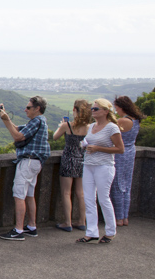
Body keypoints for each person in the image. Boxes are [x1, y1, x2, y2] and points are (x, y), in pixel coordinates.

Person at [0, 97, 50, 241]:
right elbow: (18, 129)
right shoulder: (40, 121)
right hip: (35, 163)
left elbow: (18, 136)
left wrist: (7, 121)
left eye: (28, 107)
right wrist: (5, 117)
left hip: (28, 161)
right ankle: (32, 226)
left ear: (37, 108)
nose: (25, 110)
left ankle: (18, 230)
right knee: (29, 195)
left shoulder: (36, 121)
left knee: (19, 194)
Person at [76, 99, 124, 244]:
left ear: (106, 111)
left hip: (104, 166)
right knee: (89, 199)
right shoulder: (91, 127)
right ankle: (91, 232)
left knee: (103, 199)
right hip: (89, 164)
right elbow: (89, 141)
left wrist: (98, 148)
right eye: (93, 109)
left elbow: (120, 149)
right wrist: (85, 145)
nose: (93, 111)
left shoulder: (112, 128)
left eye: (96, 109)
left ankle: (110, 232)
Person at [52, 99, 90, 232]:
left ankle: (67, 222)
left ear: (74, 110)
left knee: (66, 192)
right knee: (81, 193)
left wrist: (61, 125)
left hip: (68, 160)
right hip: (83, 160)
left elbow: (55, 137)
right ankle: (82, 221)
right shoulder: (90, 127)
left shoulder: (67, 125)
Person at [112, 96, 144, 226]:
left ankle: (119, 218)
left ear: (121, 107)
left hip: (121, 154)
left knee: (118, 185)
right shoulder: (135, 119)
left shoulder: (123, 121)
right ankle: (125, 217)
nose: (116, 110)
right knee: (127, 185)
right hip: (131, 152)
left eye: (117, 108)